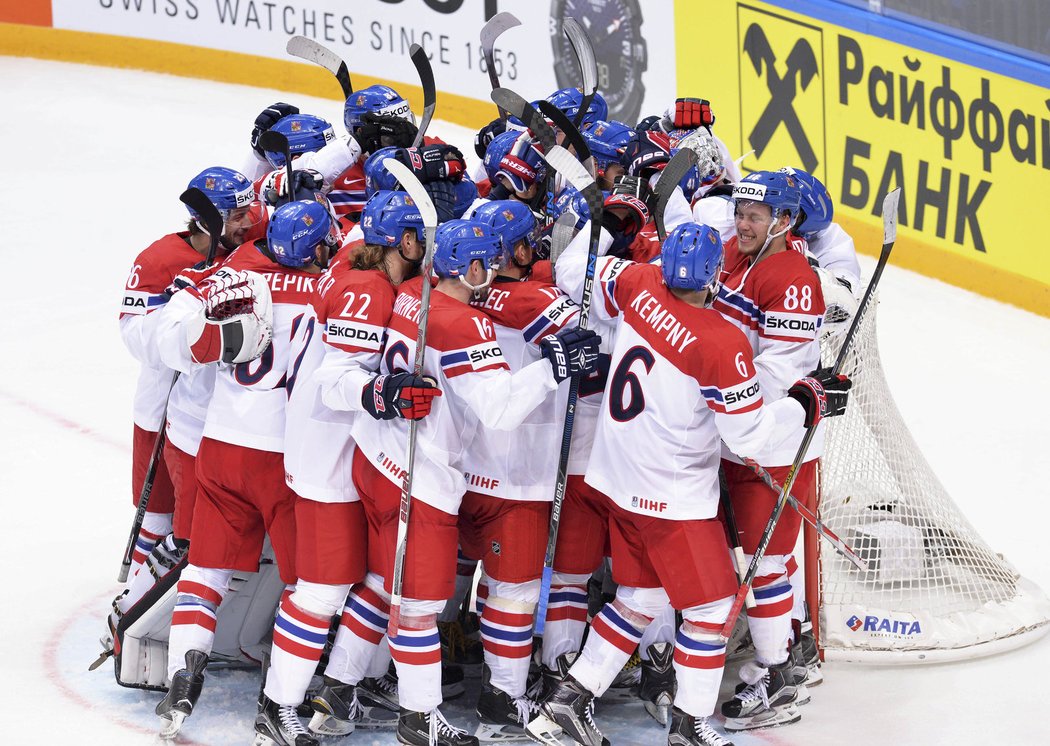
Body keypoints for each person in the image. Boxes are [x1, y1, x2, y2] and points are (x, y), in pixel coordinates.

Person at [531, 220, 850, 746]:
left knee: (640, 598)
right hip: (671, 498)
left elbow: (575, 273)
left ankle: (568, 702)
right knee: (711, 609)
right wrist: (805, 402)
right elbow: (751, 439)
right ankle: (691, 724)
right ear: (714, 275)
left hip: (615, 478)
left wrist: (608, 222)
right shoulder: (720, 342)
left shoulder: (636, 284)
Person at [346, 218, 601, 746]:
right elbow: (585, 365)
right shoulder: (518, 306)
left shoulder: (412, 295)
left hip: (454, 474)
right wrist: (560, 360)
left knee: (399, 585)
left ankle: (349, 682)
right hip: (509, 476)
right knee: (511, 592)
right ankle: (500, 700)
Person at [150, 200, 338, 744]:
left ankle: (181, 683)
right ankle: (279, 700)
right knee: (309, 587)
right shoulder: (330, 291)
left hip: (221, 448)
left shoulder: (229, 275)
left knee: (204, 572)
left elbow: (172, 337)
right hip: (287, 460)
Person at [108, 167, 257, 645]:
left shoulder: (245, 245)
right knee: (157, 513)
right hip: (163, 406)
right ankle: (131, 602)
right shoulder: (158, 260)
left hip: (216, 413)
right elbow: (136, 337)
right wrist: (180, 318)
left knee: (193, 523)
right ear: (206, 219)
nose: (246, 220)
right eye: (235, 213)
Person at [710, 170, 830, 732]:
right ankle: (772, 655)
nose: (743, 222)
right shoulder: (735, 252)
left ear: (785, 221)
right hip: (732, 434)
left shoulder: (794, 278)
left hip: (775, 443)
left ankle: (777, 672)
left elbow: (780, 371)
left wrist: (714, 391)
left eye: (755, 215)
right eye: (740, 211)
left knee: (765, 563)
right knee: (752, 558)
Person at [463, 200, 583, 740]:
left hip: (464, 467)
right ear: (515, 249)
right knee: (515, 591)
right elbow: (586, 340)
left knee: (473, 581)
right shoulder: (538, 297)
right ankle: (503, 697)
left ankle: (475, 673)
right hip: (521, 473)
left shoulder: (457, 288)